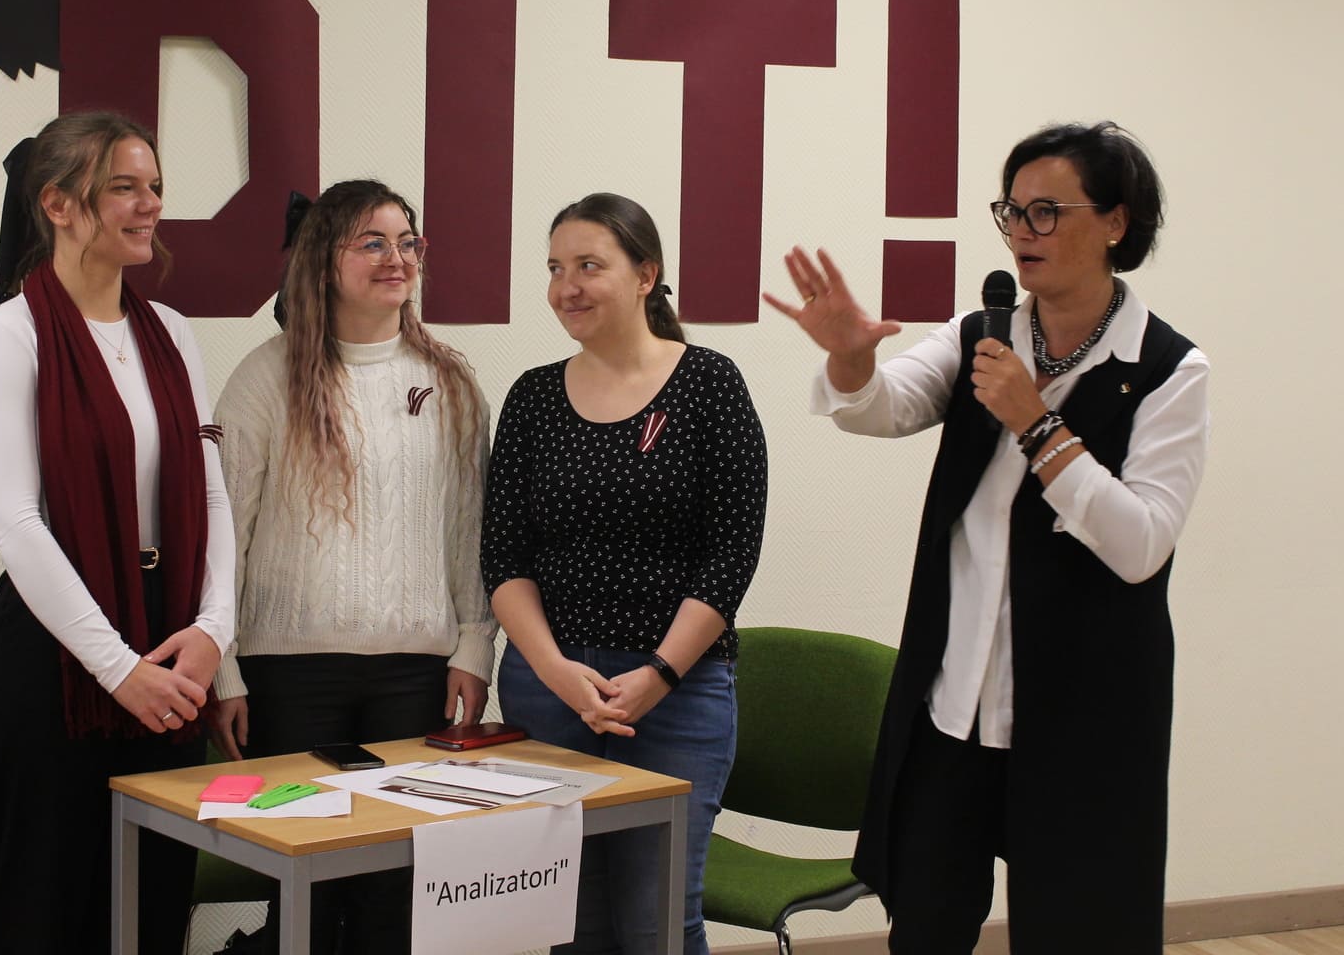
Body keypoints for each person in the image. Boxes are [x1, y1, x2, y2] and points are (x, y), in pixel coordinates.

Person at [766, 122, 1210, 953]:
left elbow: (1142, 544)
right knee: (926, 928)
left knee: (1079, 932)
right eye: (1012, 211)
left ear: (1115, 222)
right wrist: (852, 360)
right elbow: (884, 407)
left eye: (1047, 212)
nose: (1021, 233)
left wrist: (1038, 426)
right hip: (955, 706)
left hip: (1085, 716)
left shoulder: (1168, 369)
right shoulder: (984, 333)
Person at [0, 111, 234, 954]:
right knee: (48, 916)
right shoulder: (8, 335)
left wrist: (213, 630)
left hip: (170, 644)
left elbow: (211, 494)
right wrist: (117, 669)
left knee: (154, 913)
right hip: (54, 661)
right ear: (58, 204)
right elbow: (15, 522)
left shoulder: (172, 334)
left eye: (154, 186)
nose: (150, 205)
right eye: (124, 187)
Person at [207, 179, 494, 954]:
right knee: (302, 889)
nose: (396, 258)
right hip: (288, 676)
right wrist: (222, 668)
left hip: (414, 673)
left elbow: (469, 528)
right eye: (372, 242)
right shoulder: (265, 377)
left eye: (407, 242)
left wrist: (475, 646)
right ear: (322, 261)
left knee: (392, 893)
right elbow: (221, 534)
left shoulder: (450, 382)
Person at [481, 192, 768, 955]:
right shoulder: (533, 397)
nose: (566, 287)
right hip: (548, 695)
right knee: (567, 926)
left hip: (675, 697)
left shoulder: (710, 385)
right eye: (554, 268)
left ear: (646, 275)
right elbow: (503, 558)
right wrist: (553, 672)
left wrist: (659, 674)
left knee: (654, 923)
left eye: (588, 266)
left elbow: (731, 556)